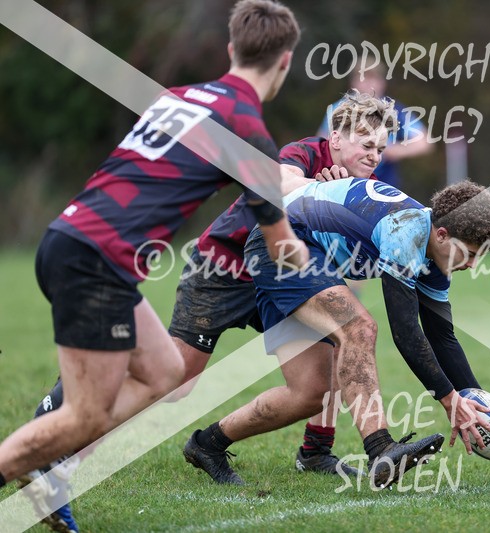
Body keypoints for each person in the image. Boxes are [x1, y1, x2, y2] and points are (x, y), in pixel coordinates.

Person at [1, 2, 308, 531]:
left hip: (73, 240)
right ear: (285, 61)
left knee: (166, 373)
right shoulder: (248, 132)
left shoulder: (177, 98)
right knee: (85, 415)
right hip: (97, 260)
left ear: (231, 49)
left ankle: (50, 466)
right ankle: (43, 461)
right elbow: (281, 249)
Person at [182, 177, 490, 490]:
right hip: (283, 242)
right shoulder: (405, 232)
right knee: (358, 328)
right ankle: (380, 449)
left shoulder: (434, 257)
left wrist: (479, 404)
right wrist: (449, 399)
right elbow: (405, 331)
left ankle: (207, 444)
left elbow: (441, 336)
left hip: (308, 255)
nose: (472, 265)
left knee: (308, 393)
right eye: (469, 253)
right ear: (443, 234)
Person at [318, 61, 433, 189]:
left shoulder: (394, 110)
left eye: (373, 78)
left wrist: (392, 150)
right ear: (353, 82)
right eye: (363, 78)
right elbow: (323, 142)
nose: (368, 84)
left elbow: (423, 142)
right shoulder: (340, 108)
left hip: (383, 183)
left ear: (382, 83)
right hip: (342, 181)